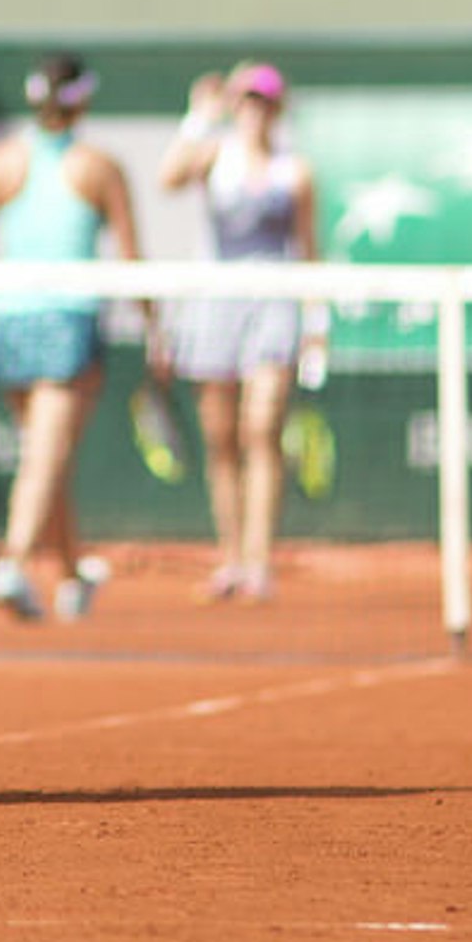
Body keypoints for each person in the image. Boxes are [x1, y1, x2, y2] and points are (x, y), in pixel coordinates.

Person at [0, 52, 146, 621]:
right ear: (84, 99)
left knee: (48, 459)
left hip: (13, 325)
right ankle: (12, 563)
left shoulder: (1, 162)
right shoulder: (99, 166)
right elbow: (132, 256)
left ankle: (74, 575)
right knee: (43, 457)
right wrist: (157, 331)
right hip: (65, 322)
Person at [153, 63, 325, 601]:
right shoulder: (212, 155)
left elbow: (308, 249)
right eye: (245, 100)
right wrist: (199, 117)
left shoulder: (295, 172)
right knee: (220, 437)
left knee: (261, 428)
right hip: (214, 308)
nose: (253, 110)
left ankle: (258, 563)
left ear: (276, 109)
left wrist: (317, 324)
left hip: (273, 306)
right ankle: (230, 558)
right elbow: (168, 177)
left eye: (263, 101)